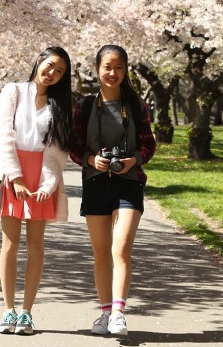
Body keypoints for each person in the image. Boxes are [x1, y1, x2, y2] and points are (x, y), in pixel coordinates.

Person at [70, 44, 156, 336]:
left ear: (126, 70)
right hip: (95, 182)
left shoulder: (136, 104)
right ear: (97, 68)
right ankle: (105, 313)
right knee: (100, 253)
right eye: (107, 66)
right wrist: (91, 159)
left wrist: (134, 160)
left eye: (119, 67)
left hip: (128, 182)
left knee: (121, 248)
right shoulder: (83, 106)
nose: (113, 73)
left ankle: (119, 312)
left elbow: (148, 143)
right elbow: (74, 146)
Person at [0, 46, 72, 335]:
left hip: (41, 176)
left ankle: (27, 312)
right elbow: (4, 135)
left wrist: (48, 184)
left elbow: (57, 150)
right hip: (12, 172)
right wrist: (15, 177)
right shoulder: (13, 91)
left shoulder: (59, 105)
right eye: (49, 65)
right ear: (39, 61)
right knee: (10, 244)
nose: (52, 73)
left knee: (36, 245)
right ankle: (8, 310)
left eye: (59, 71)